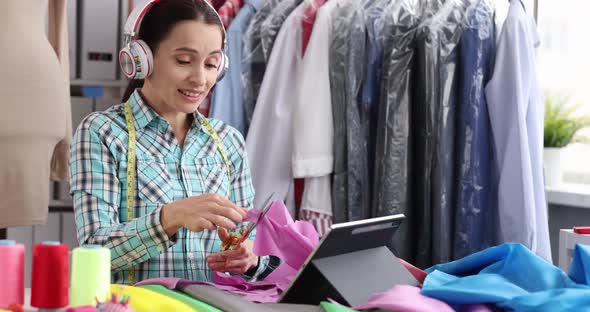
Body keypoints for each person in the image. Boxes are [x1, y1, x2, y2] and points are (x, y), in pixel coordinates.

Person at [70, 0, 274, 284]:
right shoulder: (103, 133)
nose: (200, 79)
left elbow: (249, 245)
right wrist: (170, 217)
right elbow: (93, 251)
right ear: (141, 59)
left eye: (212, 63)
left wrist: (250, 261)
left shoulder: (228, 142)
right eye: (184, 61)